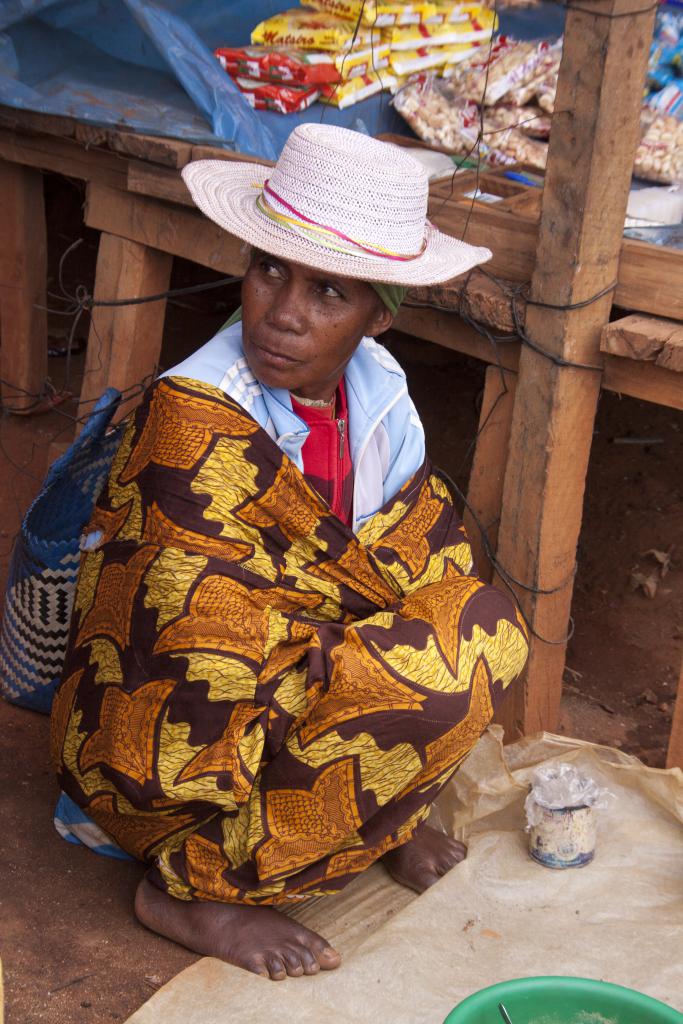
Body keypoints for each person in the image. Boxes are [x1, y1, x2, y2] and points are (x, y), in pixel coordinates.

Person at [51, 124, 529, 982]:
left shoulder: (380, 395)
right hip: (178, 744)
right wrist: (354, 659)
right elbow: (188, 647)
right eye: (270, 269)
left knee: (480, 628)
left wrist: (354, 652)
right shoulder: (193, 420)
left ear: (378, 314)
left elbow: (421, 560)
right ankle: (195, 884)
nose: (283, 313)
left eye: (329, 290)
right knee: (402, 679)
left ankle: (371, 812)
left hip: (307, 664)